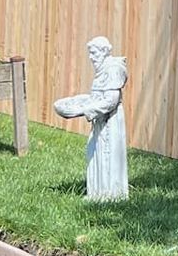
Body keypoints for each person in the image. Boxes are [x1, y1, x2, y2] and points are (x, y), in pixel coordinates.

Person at [53, 36, 128, 201]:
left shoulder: (113, 69)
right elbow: (99, 96)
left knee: (107, 155)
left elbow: (110, 101)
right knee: (96, 153)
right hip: (100, 121)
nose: (91, 57)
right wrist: (83, 101)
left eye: (93, 53)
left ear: (103, 52)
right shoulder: (103, 69)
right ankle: (98, 193)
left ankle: (110, 195)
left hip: (110, 121)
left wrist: (86, 110)